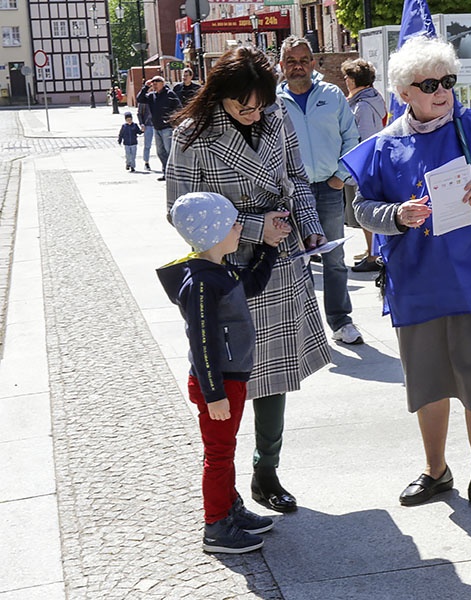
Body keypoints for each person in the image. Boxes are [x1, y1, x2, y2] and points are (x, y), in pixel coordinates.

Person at [342, 35, 471, 517]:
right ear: (404, 92)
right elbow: (362, 209)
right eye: (429, 84)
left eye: (447, 81)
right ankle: (435, 471)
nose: (442, 91)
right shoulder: (383, 146)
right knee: (427, 382)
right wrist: (397, 216)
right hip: (418, 282)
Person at [166, 46, 331, 514]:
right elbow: (178, 213)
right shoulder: (192, 136)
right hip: (229, 271)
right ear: (221, 94)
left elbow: (296, 178)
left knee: (275, 373)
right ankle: (227, 484)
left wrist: (308, 221)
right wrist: (259, 228)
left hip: (279, 263)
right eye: (244, 104)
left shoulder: (276, 117)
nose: (253, 111)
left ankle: (267, 471)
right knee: (235, 378)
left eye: (260, 102)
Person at [157, 191, 279, 554]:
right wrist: (214, 394)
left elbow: (251, 286)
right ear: (212, 233)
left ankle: (230, 509)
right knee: (219, 453)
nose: (240, 227)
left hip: (231, 378)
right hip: (219, 383)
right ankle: (216, 527)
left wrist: (269, 247)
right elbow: (202, 341)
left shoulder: (219, 268)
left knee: (225, 449)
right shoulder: (201, 282)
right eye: (232, 224)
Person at [277, 36, 363, 345]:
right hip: (289, 193)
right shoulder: (273, 102)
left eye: (303, 61)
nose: (297, 67)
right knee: (292, 261)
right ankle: (296, 326)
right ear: (282, 65)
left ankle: (340, 321)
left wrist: (340, 176)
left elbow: (352, 138)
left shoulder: (332, 95)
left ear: (313, 64)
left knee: (334, 258)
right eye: (291, 61)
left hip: (328, 188)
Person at [341, 57, 387, 274]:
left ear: (353, 80)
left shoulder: (362, 106)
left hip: (364, 166)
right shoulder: (372, 98)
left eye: (347, 77)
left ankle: (373, 255)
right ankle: (371, 249)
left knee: (365, 210)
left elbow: (366, 138)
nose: (345, 81)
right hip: (370, 164)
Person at [137, 75, 182, 181]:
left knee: (169, 151)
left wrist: (174, 120)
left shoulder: (169, 94)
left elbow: (179, 107)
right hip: (156, 128)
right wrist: (145, 87)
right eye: (153, 83)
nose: (154, 84)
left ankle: (174, 173)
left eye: (157, 82)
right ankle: (166, 172)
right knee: (160, 152)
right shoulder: (152, 96)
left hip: (167, 127)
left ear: (163, 83)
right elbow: (140, 98)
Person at [138, 101, 154, 171]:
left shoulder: (158, 97)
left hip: (159, 124)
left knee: (163, 146)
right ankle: (146, 162)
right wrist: (141, 123)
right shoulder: (144, 101)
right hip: (148, 125)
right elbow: (139, 113)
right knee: (147, 145)